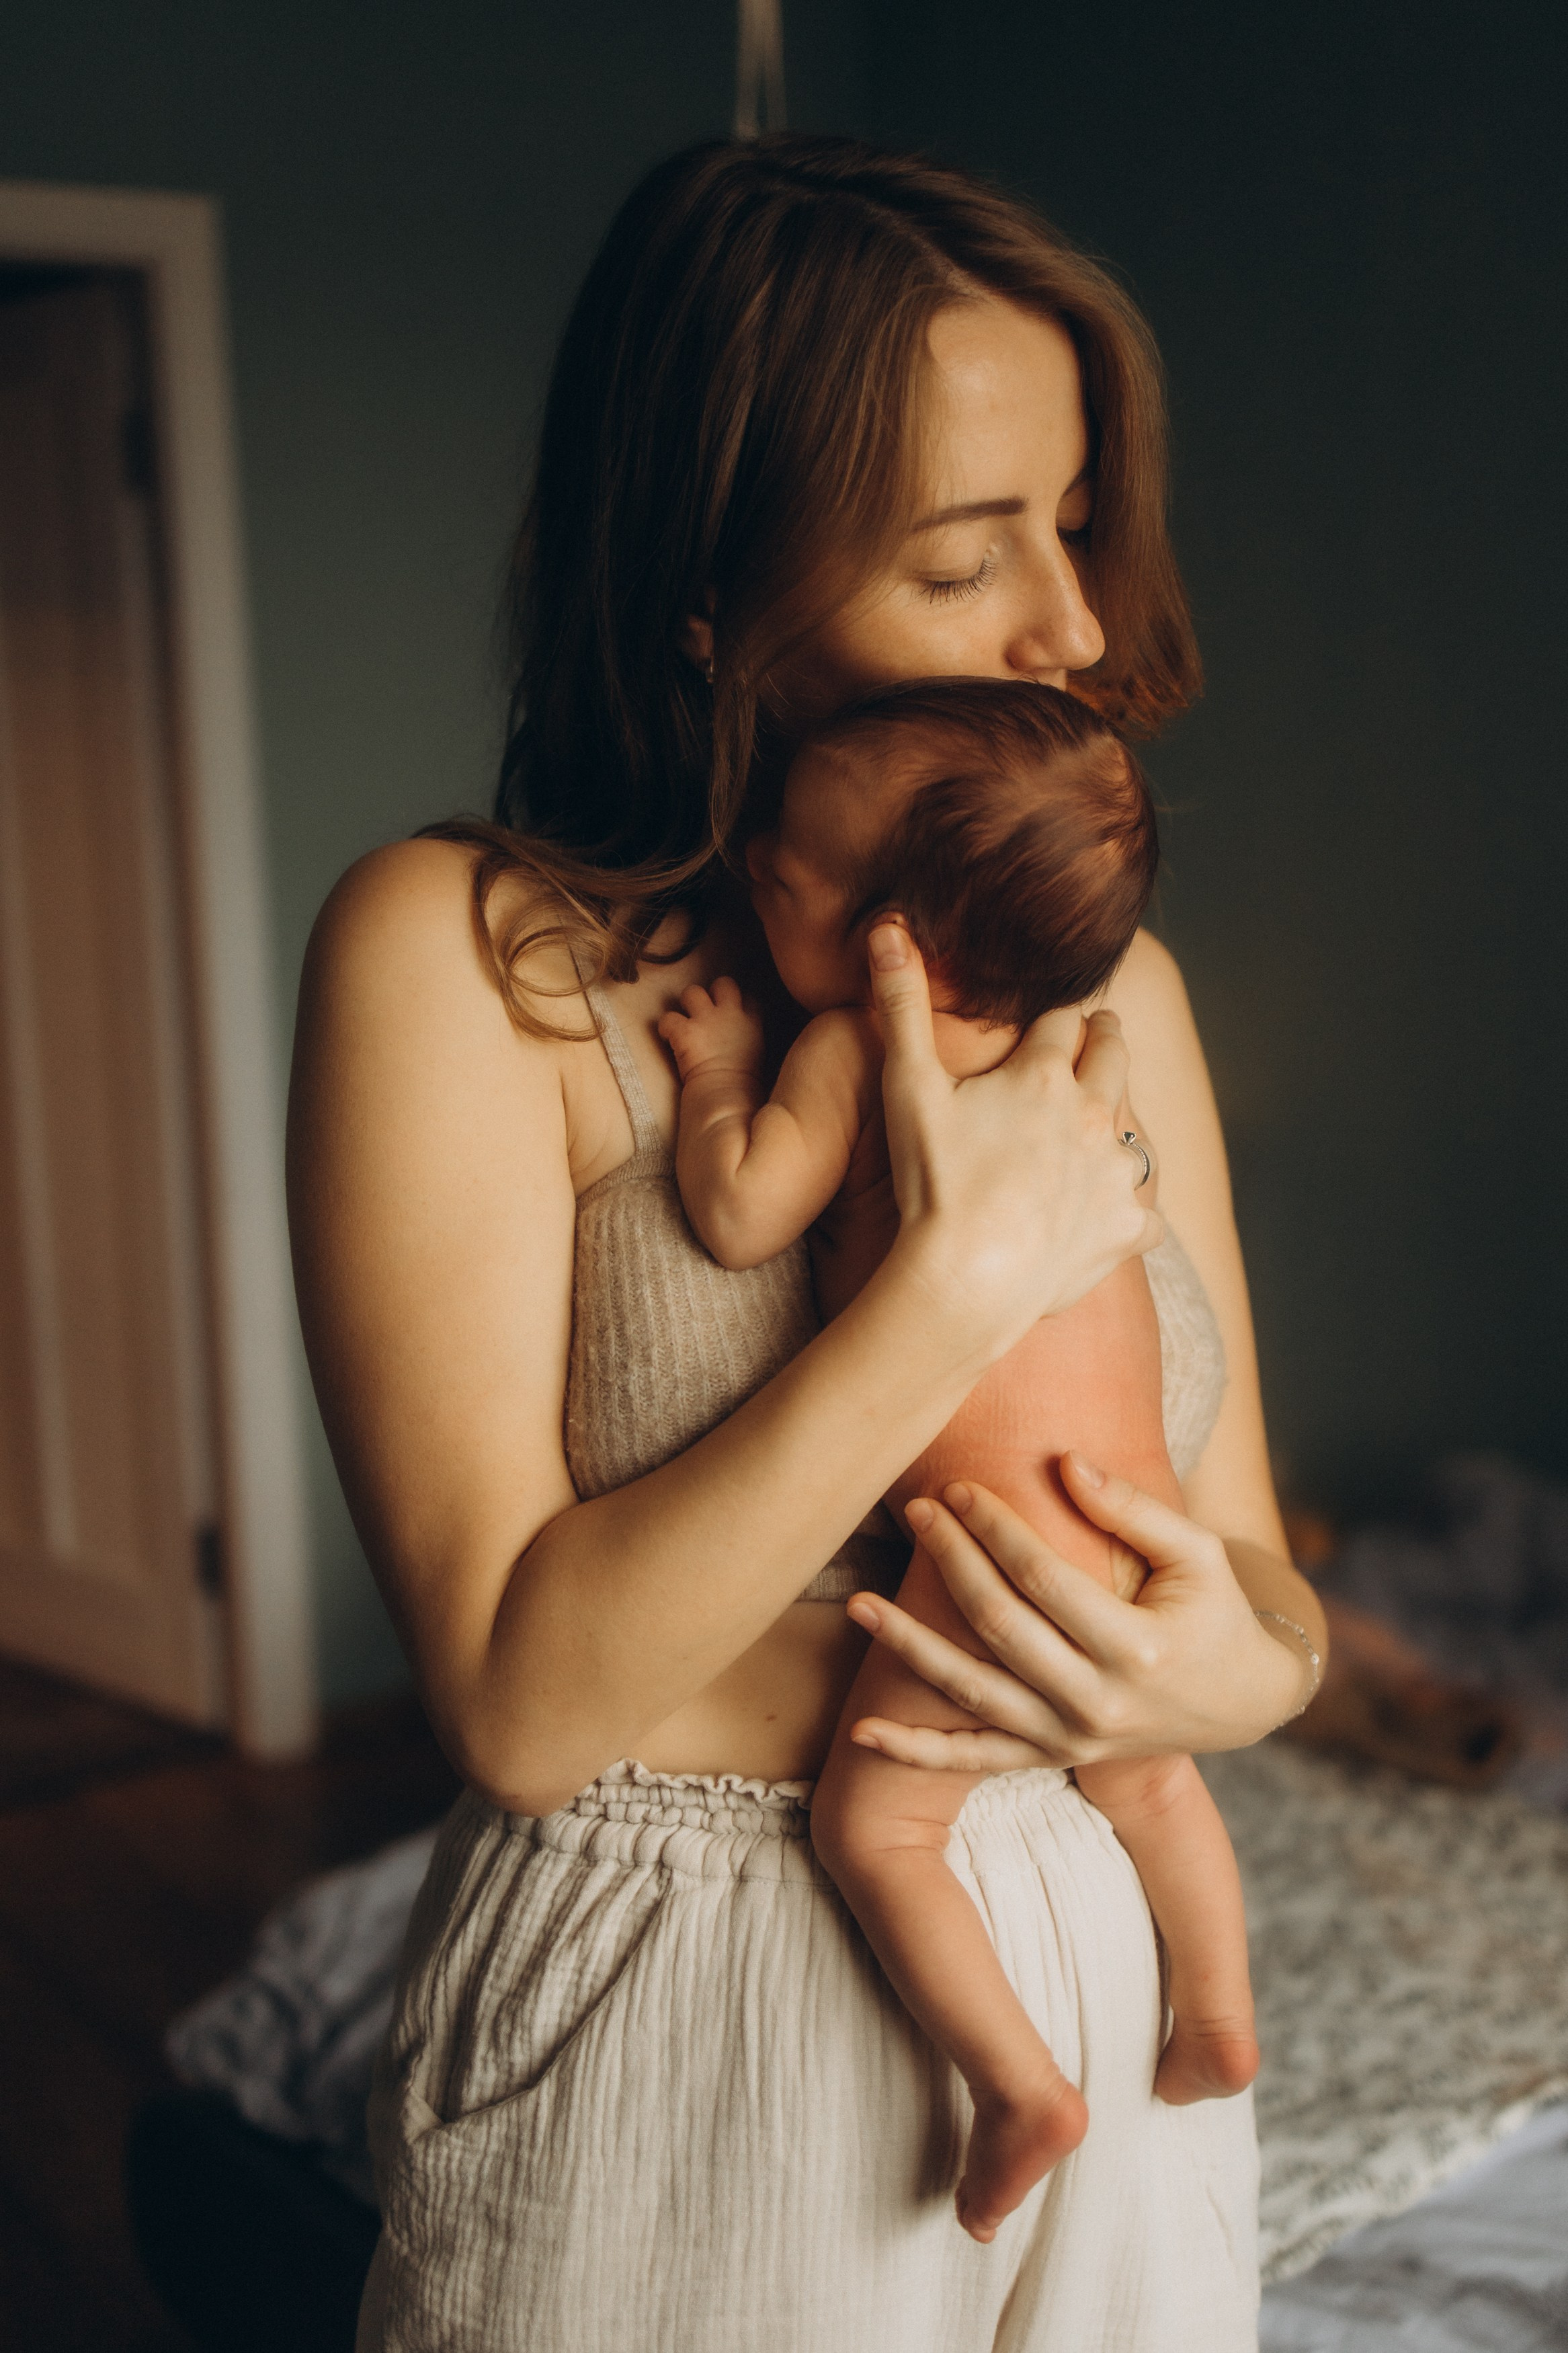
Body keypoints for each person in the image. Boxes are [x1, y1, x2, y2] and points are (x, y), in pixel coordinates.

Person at [287, 134, 1326, 2352]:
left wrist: (1208, 1687)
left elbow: (1260, 1593)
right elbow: (523, 1704)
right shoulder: (466, 963)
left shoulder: (1115, 999)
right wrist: (945, 1290)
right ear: (706, 595)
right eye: (964, 557)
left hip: (1090, 1957)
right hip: (681, 1994)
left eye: (1070, 523)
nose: (1071, 627)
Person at [658, 678, 1259, 2247]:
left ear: (897, 955)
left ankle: (1017, 2084)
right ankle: (1217, 2009)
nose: (758, 858)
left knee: (877, 1827)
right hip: (1137, 1524)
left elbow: (739, 1211)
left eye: (790, 867)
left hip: (995, 1550)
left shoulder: (857, 1050)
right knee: (1153, 1773)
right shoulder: (1074, 1066)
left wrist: (722, 1077)